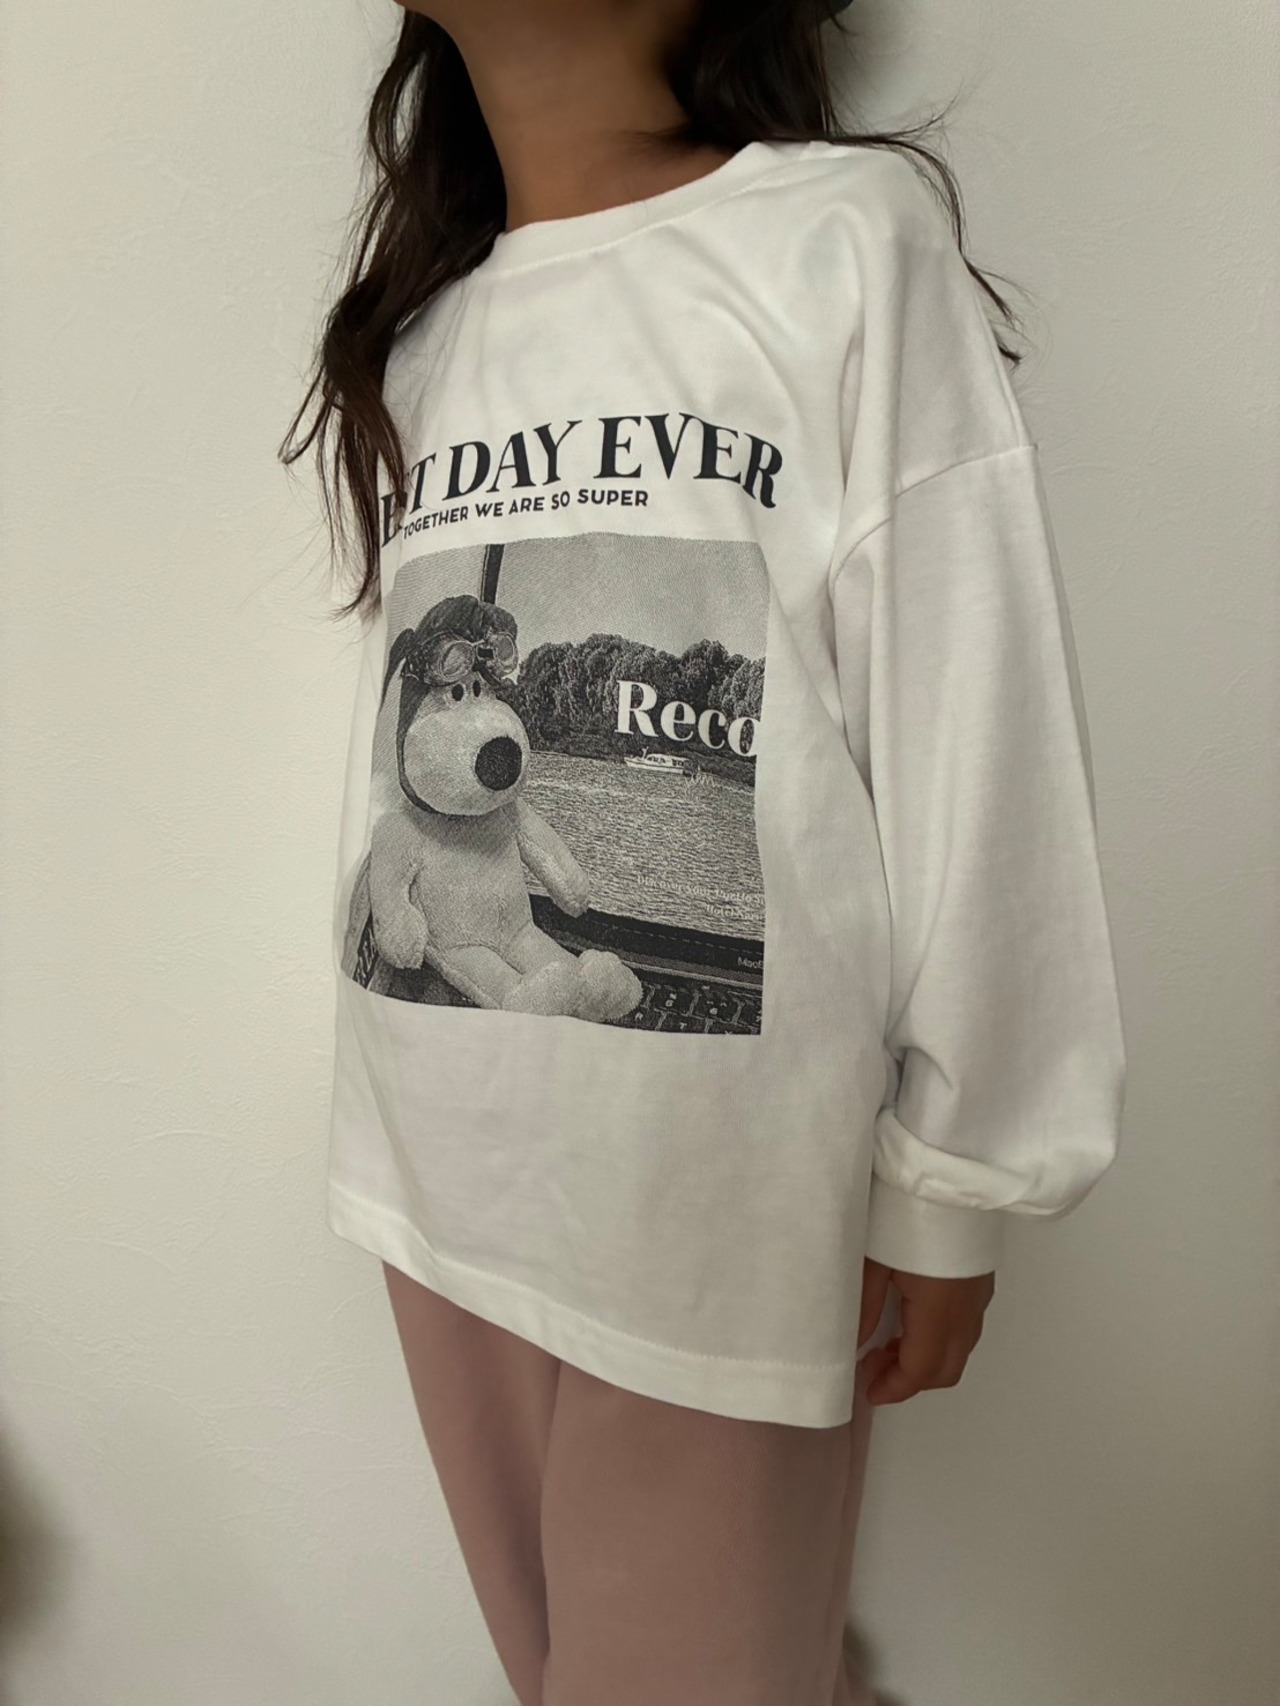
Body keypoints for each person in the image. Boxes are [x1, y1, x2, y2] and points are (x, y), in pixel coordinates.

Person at [280, 2, 1127, 1701]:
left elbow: (973, 711)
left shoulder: (841, 239)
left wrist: (960, 1174)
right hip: (430, 1162)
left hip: (712, 1200)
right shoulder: (429, 331)